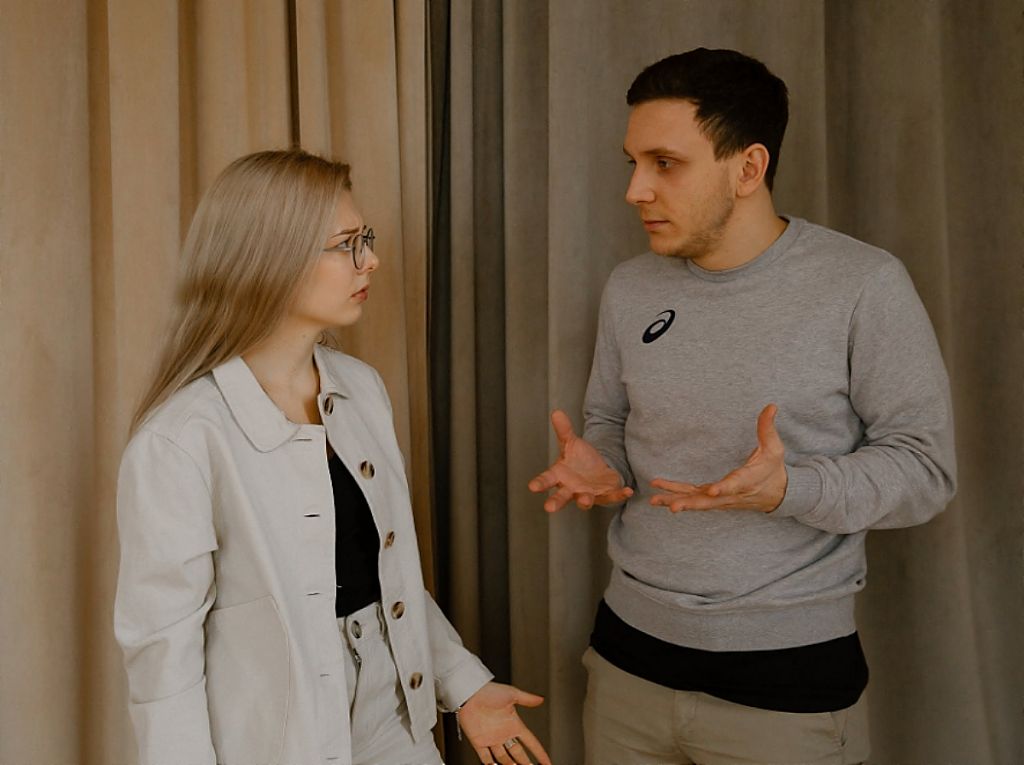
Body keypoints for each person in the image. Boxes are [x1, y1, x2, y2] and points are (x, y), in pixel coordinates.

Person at [529, 48, 956, 765]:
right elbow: (612, 422)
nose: (635, 189)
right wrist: (603, 463)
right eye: (633, 163)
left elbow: (925, 471)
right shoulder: (631, 286)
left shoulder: (863, 284)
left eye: (665, 163)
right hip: (629, 665)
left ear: (749, 167)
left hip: (785, 686)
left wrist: (791, 489)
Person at [114, 149, 551, 765]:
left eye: (365, 240)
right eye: (346, 245)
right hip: (275, 742)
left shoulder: (360, 388)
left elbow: (389, 574)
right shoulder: (180, 441)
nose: (370, 260)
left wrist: (463, 684)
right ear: (270, 259)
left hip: (394, 713)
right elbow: (163, 656)